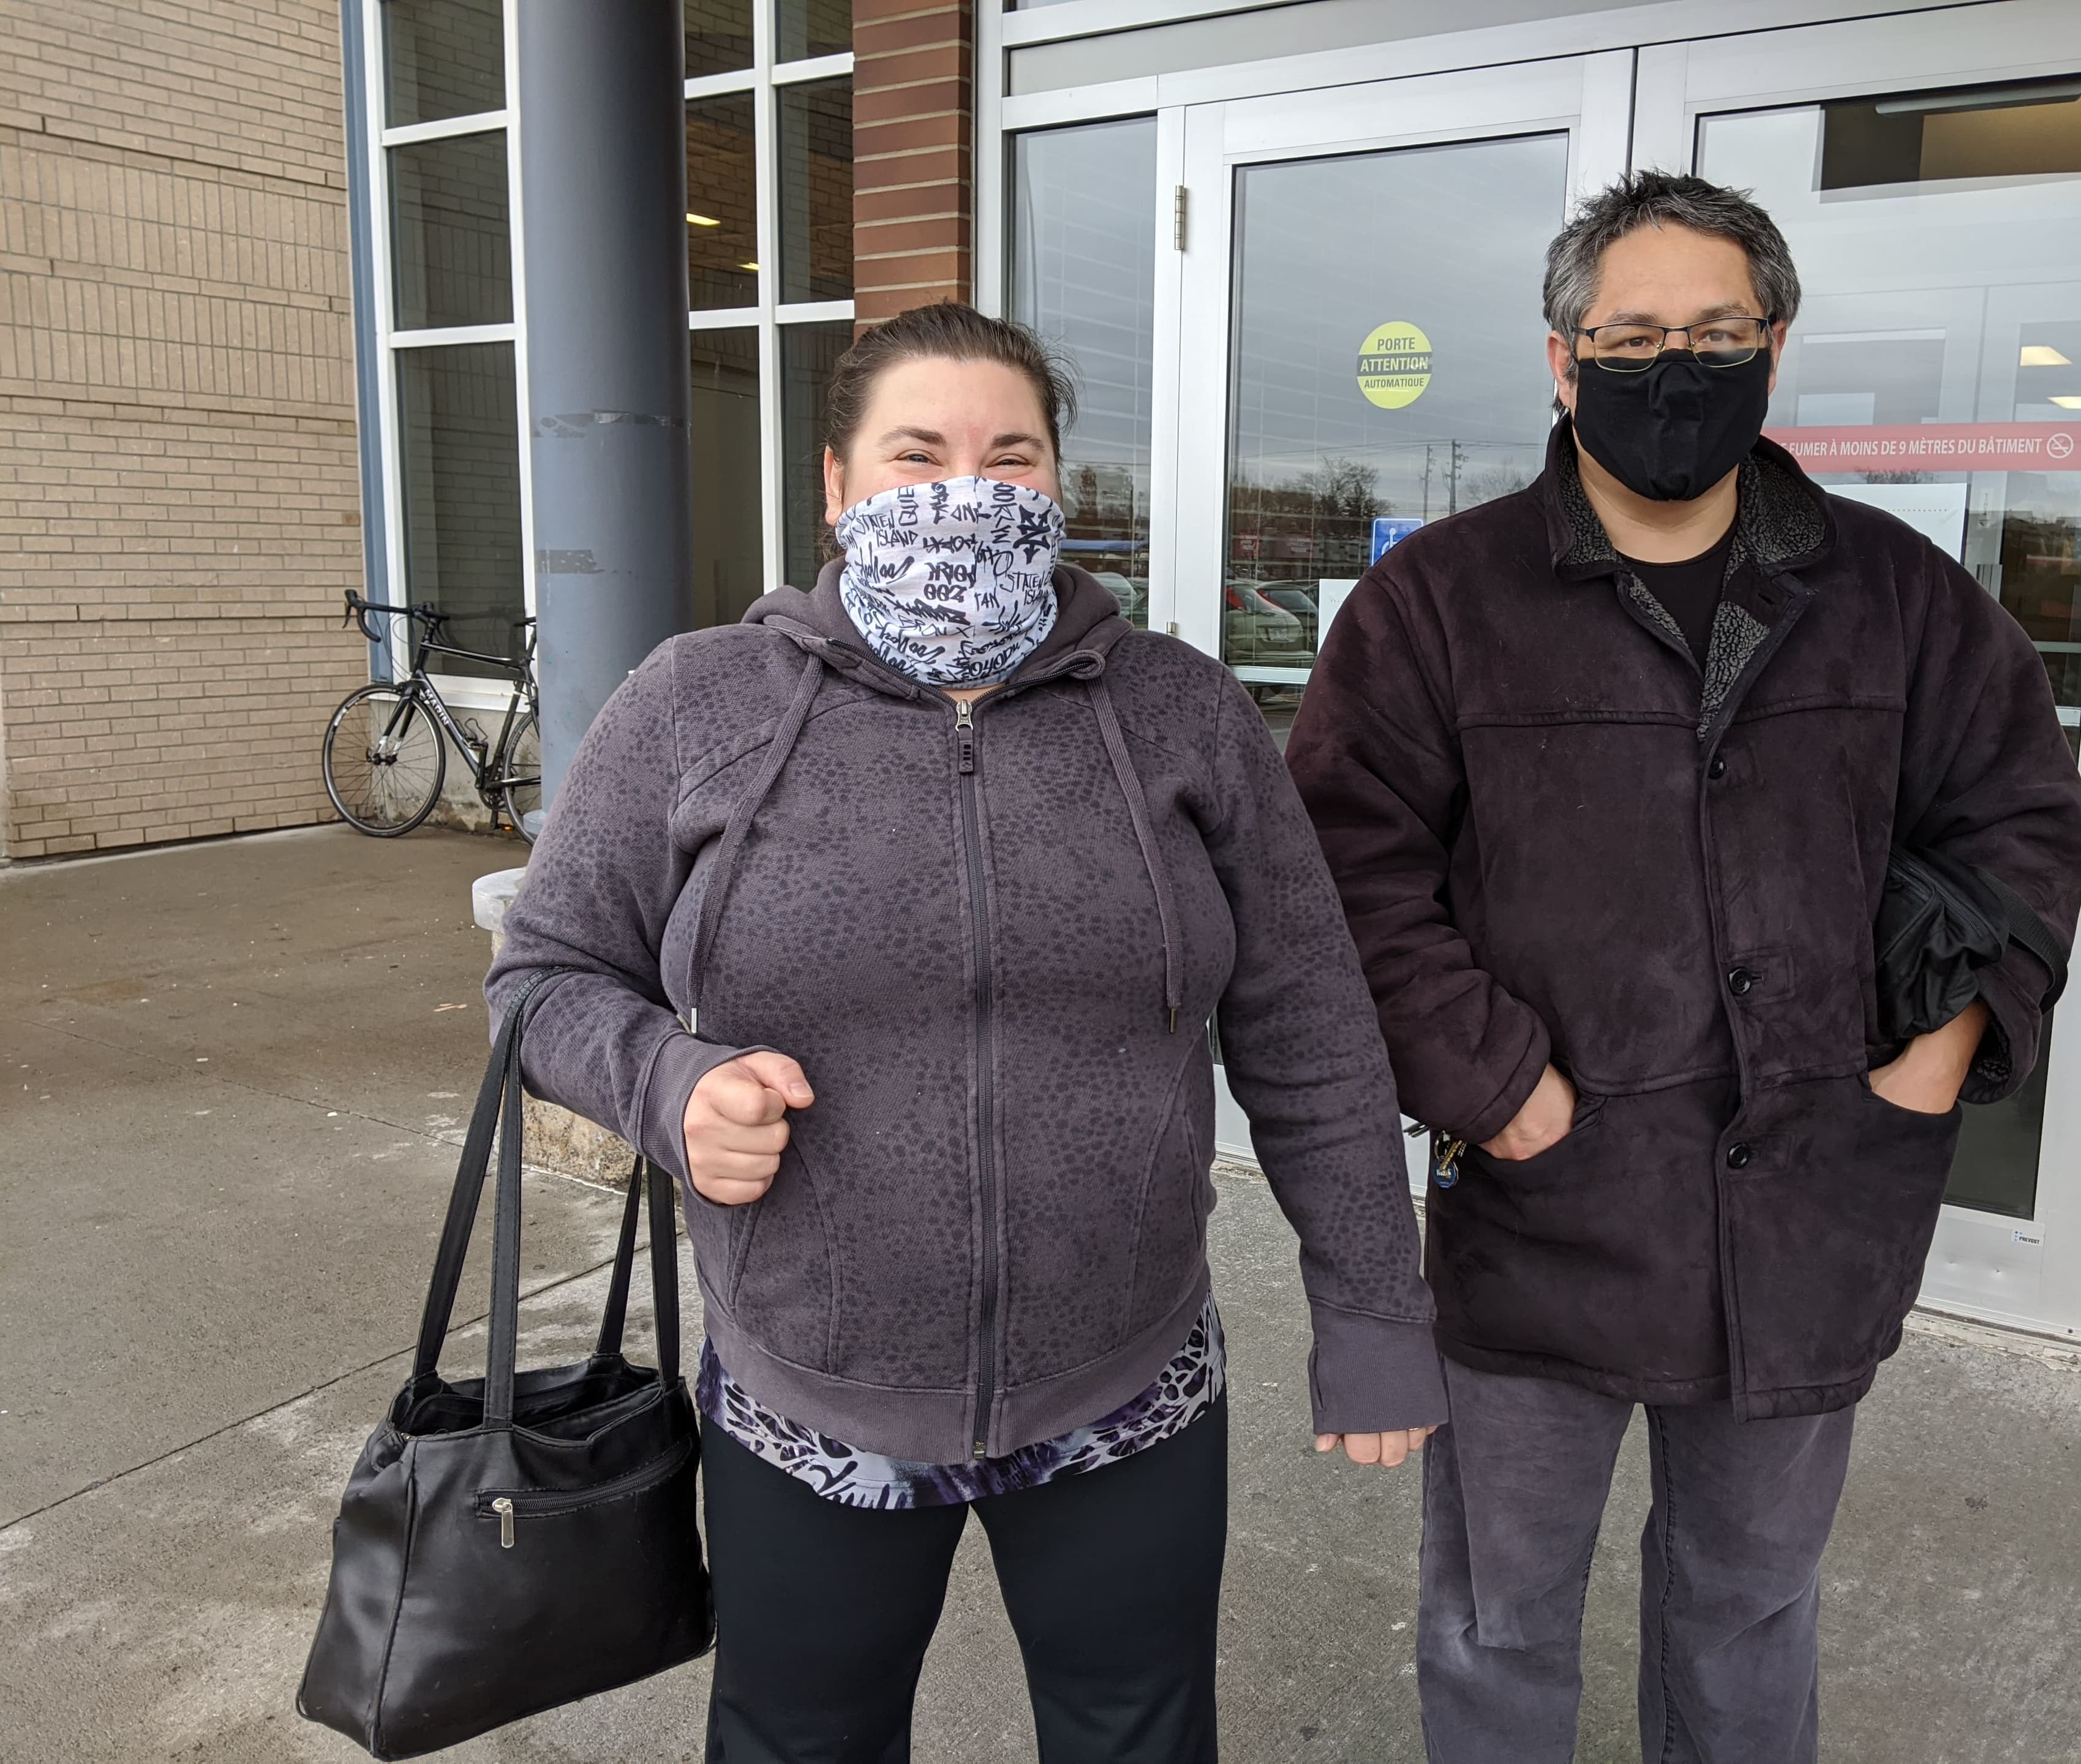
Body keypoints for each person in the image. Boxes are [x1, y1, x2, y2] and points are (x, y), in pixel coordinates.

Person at [486, 303, 1445, 1764]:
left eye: (1012, 458)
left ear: (1060, 485)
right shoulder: (699, 703)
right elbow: (543, 974)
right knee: (802, 1743)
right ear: (836, 484)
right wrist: (668, 1086)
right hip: (812, 1396)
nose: (968, 492)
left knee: (1138, 1737)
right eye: (918, 455)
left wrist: (1375, 1307)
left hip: (1129, 1384)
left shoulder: (1180, 711)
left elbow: (1308, 1018)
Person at [1285, 172, 2081, 1762]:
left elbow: (2015, 815)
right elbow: (1339, 874)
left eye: (1714, 332)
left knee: (1748, 1618)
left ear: (1774, 349)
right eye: (1633, 333)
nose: (1675, 366)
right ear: (1562, 358)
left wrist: (1942, 1045)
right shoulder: (1436, 604)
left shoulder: (1900, 599)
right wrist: (1490, 1082)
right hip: (1542, 1221)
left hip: (1810, 1226)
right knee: (1498, 1627)